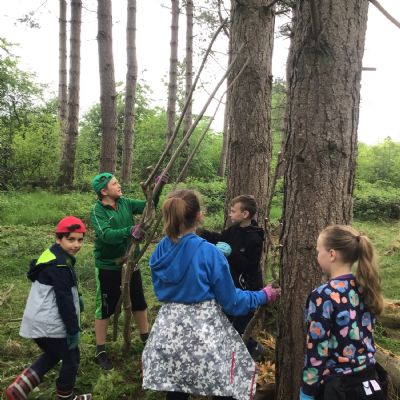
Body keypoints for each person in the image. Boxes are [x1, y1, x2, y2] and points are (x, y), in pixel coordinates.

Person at [142, 189, 280, 400]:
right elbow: (232, 302)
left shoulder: (161, 248)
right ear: (199, 215)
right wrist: (262, 295)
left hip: (168, 331)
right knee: (225, 384)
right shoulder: (209, 252)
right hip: (204, 334)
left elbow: (160, 290)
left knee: (176, 386)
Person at [5, 216, 92, 400]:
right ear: (58, 238)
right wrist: (73, 330)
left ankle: (18, 389)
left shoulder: (53, 255)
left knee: (53, 353)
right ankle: (66, 396)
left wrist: (78, 297)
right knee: (71, 357)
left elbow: (62, 290)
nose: (76, 245)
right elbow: (64, 300)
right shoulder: (59, 264)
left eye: (80, 240)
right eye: (71, 239)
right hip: (50, 323)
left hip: (37, 320)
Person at [90, 172, 167, 370]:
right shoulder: (97, 210)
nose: (119, 185)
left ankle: (146, 339)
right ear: (104, 191)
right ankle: (100, 350)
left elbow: (148, 206)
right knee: (105, 307)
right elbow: (105, 235)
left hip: (131, 263)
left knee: (138, 301)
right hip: (108, 265)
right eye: (115, 183)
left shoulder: (125, 203)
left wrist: (157, 188)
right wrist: (129, 231)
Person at [300, 225, 387, 400]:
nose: (317, 256)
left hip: (340, 389)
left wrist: (307, 392)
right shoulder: (365, 287)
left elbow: (317, 349)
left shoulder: (322, 295)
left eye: (318, 251)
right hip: (370, 382)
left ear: (332, 254)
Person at [198, 195, 265, 357]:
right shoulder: (233, 230)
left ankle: (253, 350)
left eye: (233, 211)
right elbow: (219, 239)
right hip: (231, 288)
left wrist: (232, 254)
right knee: (224, 322)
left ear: (245, 214)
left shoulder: (255, 237)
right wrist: (199, 233)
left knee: (240, 327)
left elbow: (251, 266)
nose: (230, 214)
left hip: (248, 290)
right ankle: (229, 356)